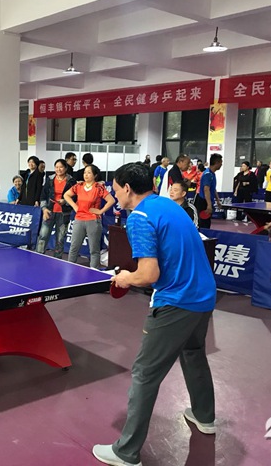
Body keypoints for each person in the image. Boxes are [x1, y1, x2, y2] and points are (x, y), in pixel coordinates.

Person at [92, 163, 216, 466]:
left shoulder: (139, 217)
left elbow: (148, 274)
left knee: (144, 374)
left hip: (176, 302)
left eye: (115, 189)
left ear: (128, 189)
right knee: (193, 354)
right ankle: (204, 416)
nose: (114, 194)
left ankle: (126, 452)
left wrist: (125, 278)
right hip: (204, 296)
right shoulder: (168, 205)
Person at [64, 164, 115, 269]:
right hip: (79, 219)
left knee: (94, 250)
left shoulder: (98, 187)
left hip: (93, 220)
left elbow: (111, 200)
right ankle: (69, 269)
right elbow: (66, 195)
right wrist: (75, 206)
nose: (86, 175)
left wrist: (100, 211)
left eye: (89, 173)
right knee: (74, 247)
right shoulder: (78, 186)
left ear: (95, 175)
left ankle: (93, 271)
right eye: (85, 173)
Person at [36, 159, 76, 259]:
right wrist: (44, 209)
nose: (58, 169)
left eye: (61, 167)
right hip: (49, 212)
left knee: (60, 239)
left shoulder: (71, 181)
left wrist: (65, 201)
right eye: (56, 167)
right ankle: (38, 256)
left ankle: (57, 259)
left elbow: (75, 197)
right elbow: (43, 195)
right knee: (43, 235)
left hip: (64, 214)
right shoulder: (50, 179)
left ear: (65, 168)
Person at [194, 153, 223, 229]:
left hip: (206, 201)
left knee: (207, 223)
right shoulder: (208, 174)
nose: (221, 164)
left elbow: (213, 189)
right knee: (203, 225)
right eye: (221, 162)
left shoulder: (212, 174)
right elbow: (206, 189)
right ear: (216, 163)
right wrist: (209, 205)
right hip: (203, 202)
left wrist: (218, 200)